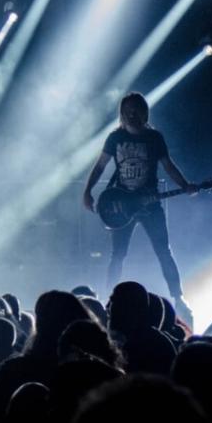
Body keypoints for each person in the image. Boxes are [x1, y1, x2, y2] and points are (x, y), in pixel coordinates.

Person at [82, 92, 197, 324]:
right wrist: (88, 190)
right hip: (122, 207)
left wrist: (185, 185)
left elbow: (168, 165)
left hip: (150, 205)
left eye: (136, 111)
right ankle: (109, 299)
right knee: (118, 255)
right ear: (122, 114)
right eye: (128, 112)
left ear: (144, 113)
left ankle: (178, 297)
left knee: (164, 250)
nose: (132, 115)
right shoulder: (115, 138)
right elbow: (100, 166)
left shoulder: (154, 138)